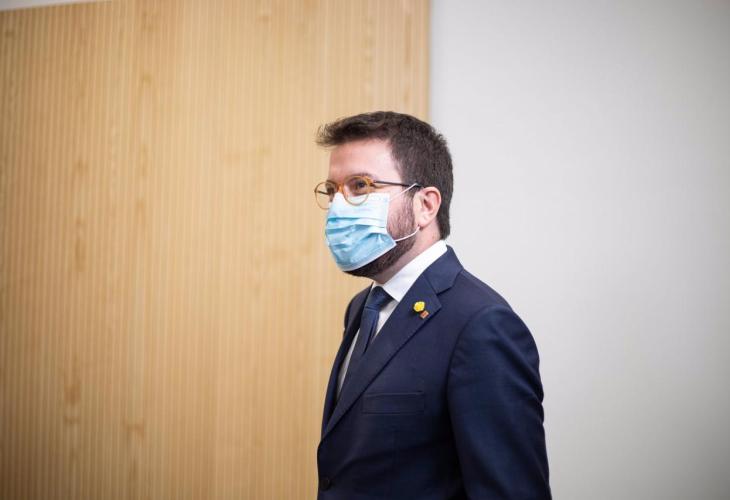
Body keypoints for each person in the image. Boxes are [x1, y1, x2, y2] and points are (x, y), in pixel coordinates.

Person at [313, 111, 551, 499]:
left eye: (360, 186)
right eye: (332, 190)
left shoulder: (481, 324)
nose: (340, 206)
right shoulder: (362, 308)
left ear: (425, 205)